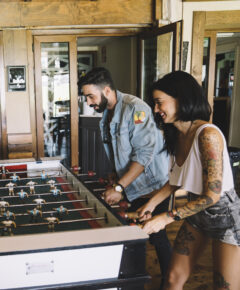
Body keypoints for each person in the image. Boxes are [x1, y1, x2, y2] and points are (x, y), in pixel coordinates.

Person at [137, 71, 240, 289]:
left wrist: (165, 218)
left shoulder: (207, 134)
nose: (156, 110)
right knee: (173, 278)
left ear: (181, 99)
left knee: (224, 286)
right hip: (197, 214)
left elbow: (212, 195)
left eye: (159, 103)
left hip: (226, 218)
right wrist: (151, 204)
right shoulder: (175, 134)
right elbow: (175, 182)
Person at [78, 67, 172, 285]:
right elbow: (119, 151)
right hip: (130, 185)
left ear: (107, 90)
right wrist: (115, 174)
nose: (89, 102)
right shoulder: (106, 114)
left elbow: (144, 154)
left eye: (91, 96)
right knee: (134, 236)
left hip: (151, 186)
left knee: (157, 238)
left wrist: (119, 188)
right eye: (86, 97)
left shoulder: (135, 108)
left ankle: (170, 281)